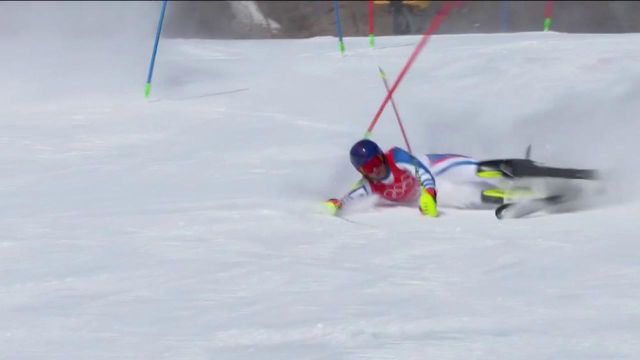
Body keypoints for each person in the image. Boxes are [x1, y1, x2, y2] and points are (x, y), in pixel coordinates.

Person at [324, 139, 509, 217]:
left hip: (434, 167)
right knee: (469, 196)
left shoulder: (396, 158)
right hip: (424, 193)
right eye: (369, 168)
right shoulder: (369, 186)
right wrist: (336, 204)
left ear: (382, 156)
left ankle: (516, 172)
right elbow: (348, 199)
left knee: (474, 169)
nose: (376, 170)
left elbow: (423, 173)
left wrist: (429, 193)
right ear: (362, 172)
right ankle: (513, 196)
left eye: (377, 162)